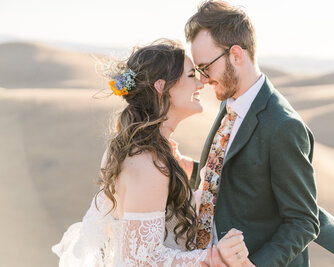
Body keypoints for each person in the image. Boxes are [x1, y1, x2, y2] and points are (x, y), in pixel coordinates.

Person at [174, 1, 334, 266]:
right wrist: (192, 168)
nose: (203, 78)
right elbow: (246, 177)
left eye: (205, 67)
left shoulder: (283, 126)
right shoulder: (229, 104)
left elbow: (303, 221)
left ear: (235, 55)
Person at [52, 39, 249, 266]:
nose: (201, 82)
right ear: (161, 87)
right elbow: (142, 260)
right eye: (191, 75)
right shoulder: (147, 162)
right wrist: (214, 257)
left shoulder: (143, 152)